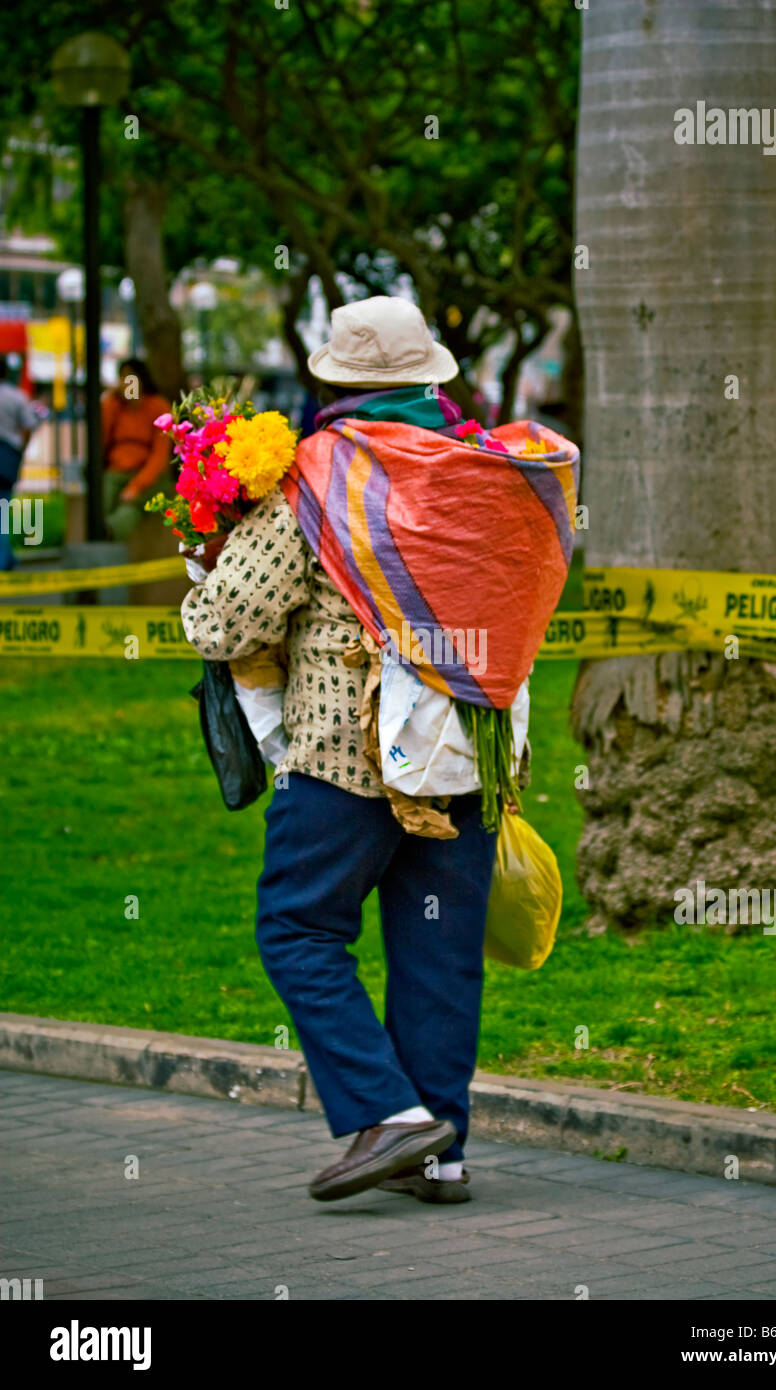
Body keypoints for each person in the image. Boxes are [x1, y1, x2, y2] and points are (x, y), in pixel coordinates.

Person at [181, 296, 579, 1205]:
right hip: (468, 759)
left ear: (336, 382)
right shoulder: (486, 470)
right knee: (438, 957)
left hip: (347, 764)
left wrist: (196, 587)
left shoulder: (319, 476)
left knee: (298, 927)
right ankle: (441, 1156)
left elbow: (232, 617)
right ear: (429, 376)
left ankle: (390, 1117)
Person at [101, 358, 172, 541]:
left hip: (147, 475)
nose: (126, 382)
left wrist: (136, 486)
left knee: (130, 507)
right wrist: (111, 400)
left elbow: (159, 457)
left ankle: (110, 533)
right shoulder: (114, 405)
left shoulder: (159, 407)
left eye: (130, 377)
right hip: (116, 471)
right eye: (122, 377)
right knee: (105, 492)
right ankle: (97, 532)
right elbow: (101, 438)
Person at [0, 356, 40, 570]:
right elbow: (29, 425)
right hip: (6, 457)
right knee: (3, 508)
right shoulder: (16, 397)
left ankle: (5, 556)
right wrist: (20, 450)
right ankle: (4, 557)